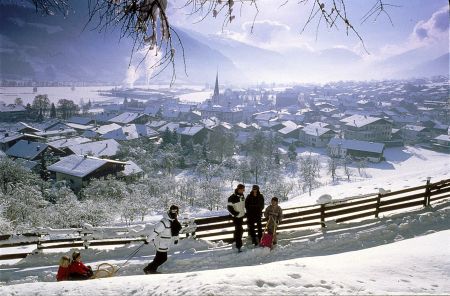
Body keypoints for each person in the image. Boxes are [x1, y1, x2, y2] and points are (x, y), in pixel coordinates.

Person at [143, 205, 182, 274]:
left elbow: (175, 232)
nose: (175, 213)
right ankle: (149, 269)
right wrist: (148, 240)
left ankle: (149, 269)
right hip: (161, 242)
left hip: (165, 243)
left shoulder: (174, 221)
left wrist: (176, 239)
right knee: (163, 258)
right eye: (173, 211)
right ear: (170, 211)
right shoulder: (164, 222)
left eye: (176, 211)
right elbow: (155, 232)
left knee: (159, 258)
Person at [227, 183, 246, 252]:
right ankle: (239, 246)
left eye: (242, 189)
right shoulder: (232, 197)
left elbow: (243, 205)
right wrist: (235, 214)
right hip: (236, 217)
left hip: (241, 216)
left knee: (239, 230)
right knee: (239, 230)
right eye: (240, 189)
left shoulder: (242, 196)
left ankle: (235, 242)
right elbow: (229, 207)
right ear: (237, 189)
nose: (241, 191)